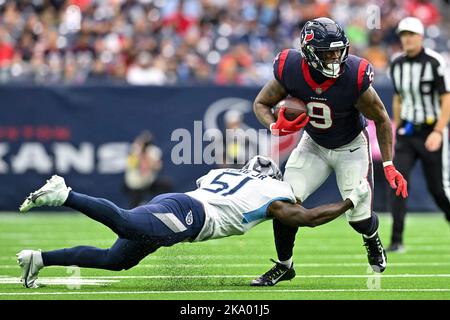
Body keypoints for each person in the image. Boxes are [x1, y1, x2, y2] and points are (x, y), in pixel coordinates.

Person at [16, 155, 367, 289]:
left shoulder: (227, 173)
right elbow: (307, 218)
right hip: (189, 216)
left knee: (115, 260)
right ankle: (66, 194)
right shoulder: (273, 194)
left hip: (180, 205)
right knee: (125, 224)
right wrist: (351, 199)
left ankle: (40, 259)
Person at [252, 17, 408, 286]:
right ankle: (284, 265)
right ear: (310, 53)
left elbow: (381, 117)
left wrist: (389, 164)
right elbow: (261, 103)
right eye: (328, 53)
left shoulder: (353, 75)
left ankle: (371, 238)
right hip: (313, 144)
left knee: (358, 220)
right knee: (285, 203)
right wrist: (275, 126)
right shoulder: (290, 68)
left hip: (351, 147)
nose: (336, 58)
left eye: (339, 51)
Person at [388, 17, 450, 253]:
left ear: (421, 37)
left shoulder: (435, 62)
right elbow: (397, 97)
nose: (407, 39)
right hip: (407, 132)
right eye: (403, 35)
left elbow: (447, 99)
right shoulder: (397, 63)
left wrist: (438, 131)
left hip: (430, 131)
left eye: (411, 34)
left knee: (438, 190)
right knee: (398, 185)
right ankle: (396, 240)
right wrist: (397, 126)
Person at [123, 130, 173, 207]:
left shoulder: (153, 151)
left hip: (149, 182)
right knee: (134, 205)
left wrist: (148, 159)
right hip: (135, 184)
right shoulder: (134, 151)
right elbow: (132, 164)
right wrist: (140, 154)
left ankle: (167, 206)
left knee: (167, 185)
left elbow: (158, 166)